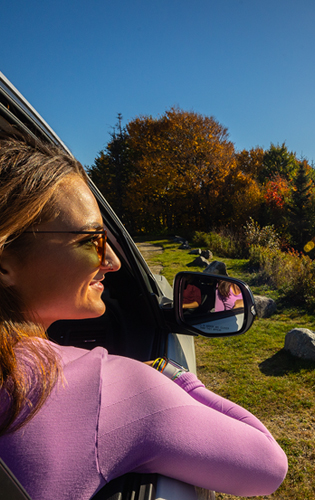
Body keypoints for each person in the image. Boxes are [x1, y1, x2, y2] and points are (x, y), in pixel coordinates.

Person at [0, 137, 287, 500]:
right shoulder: (101, 386)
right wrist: (169, 374)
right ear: (4, 260)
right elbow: (268, 466)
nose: (113, 263)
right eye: (91, 240)